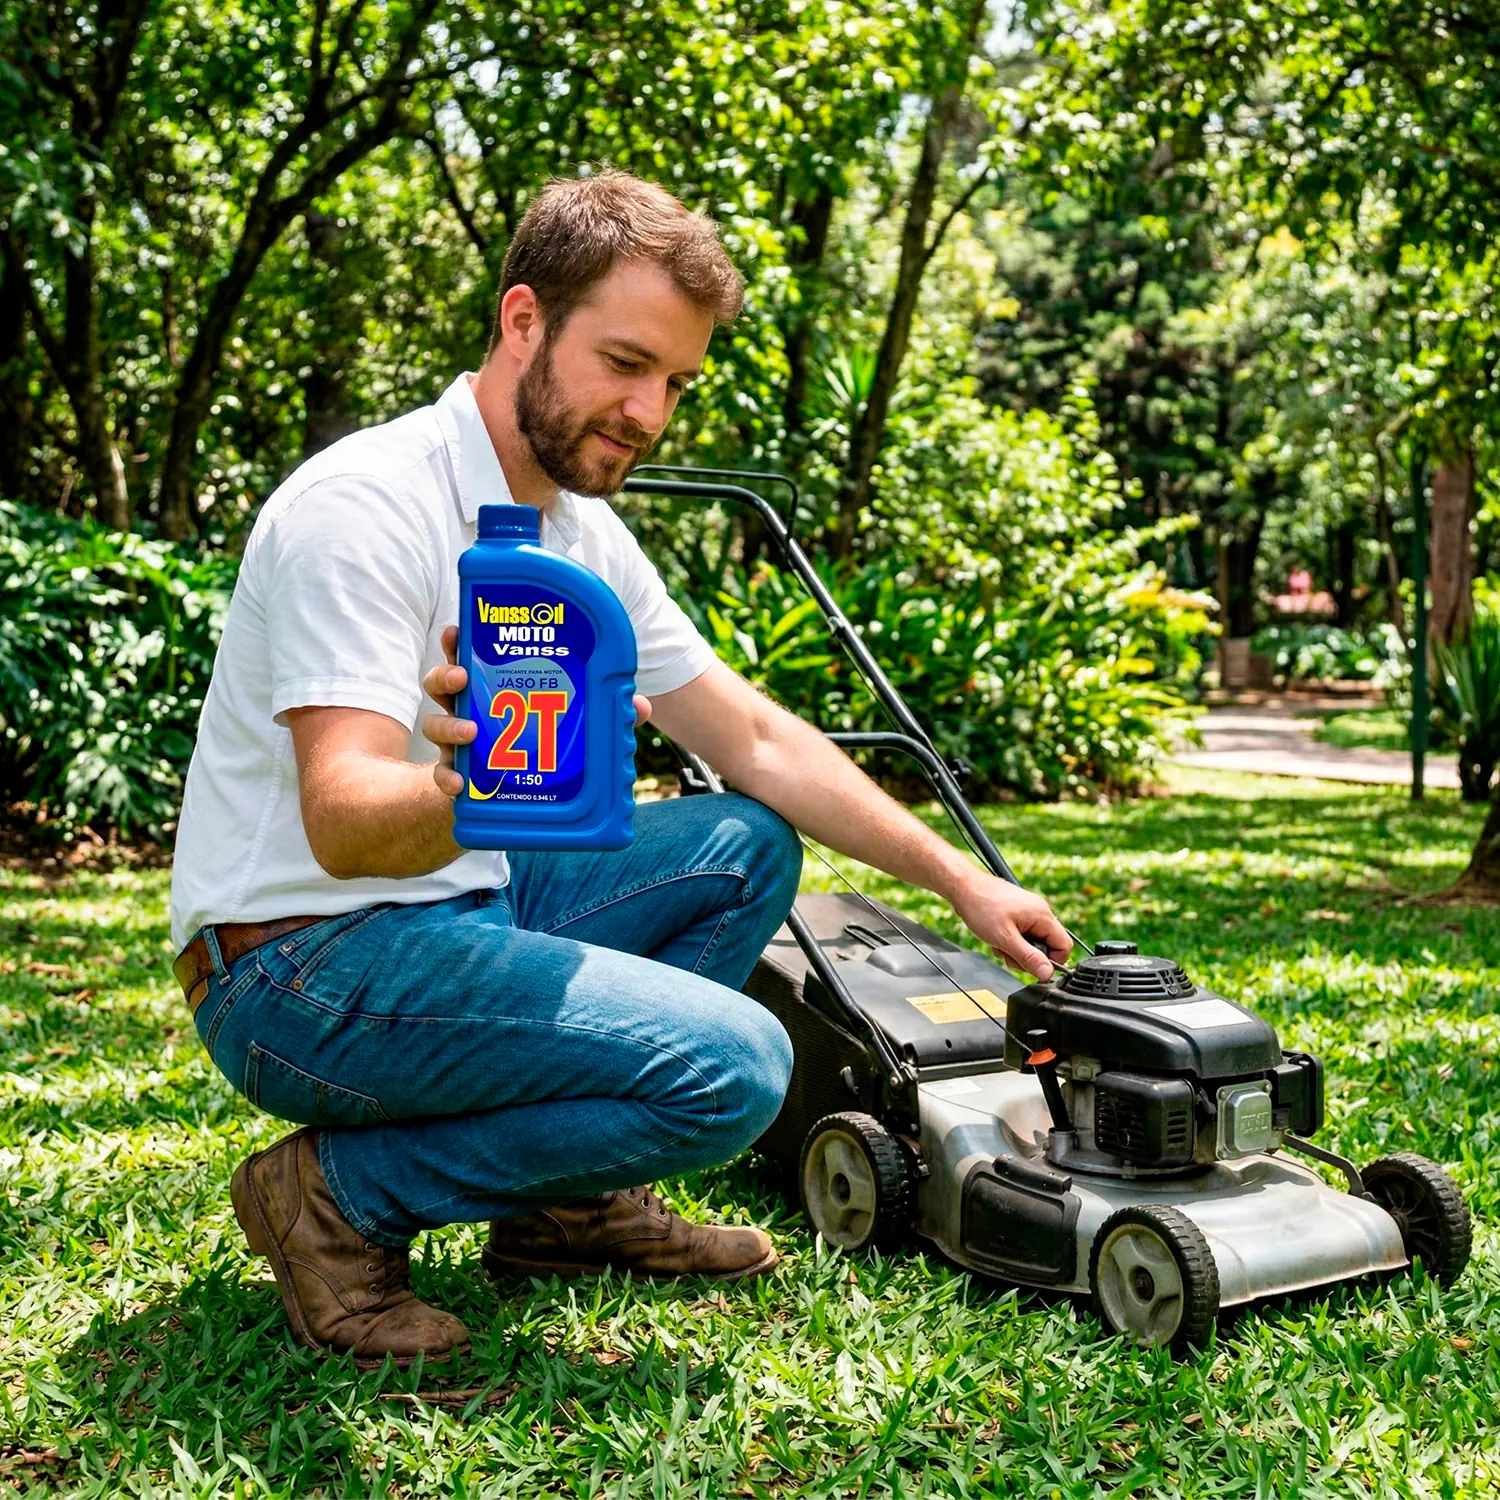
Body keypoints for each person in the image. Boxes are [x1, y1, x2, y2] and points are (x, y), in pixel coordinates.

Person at [169, 170, 1071, 1370]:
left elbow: (752, 740)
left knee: (743, 845)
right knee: (737, 1067)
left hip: (459, 907)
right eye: (625, 363)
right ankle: (336, 1198)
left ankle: (563, 1209)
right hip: (295, 965)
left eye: (676, 383)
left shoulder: (575, 529)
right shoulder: (365, 508)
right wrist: (461, 787)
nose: (648, 411)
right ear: (524, 320)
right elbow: (340, 824)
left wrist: (961, 879)